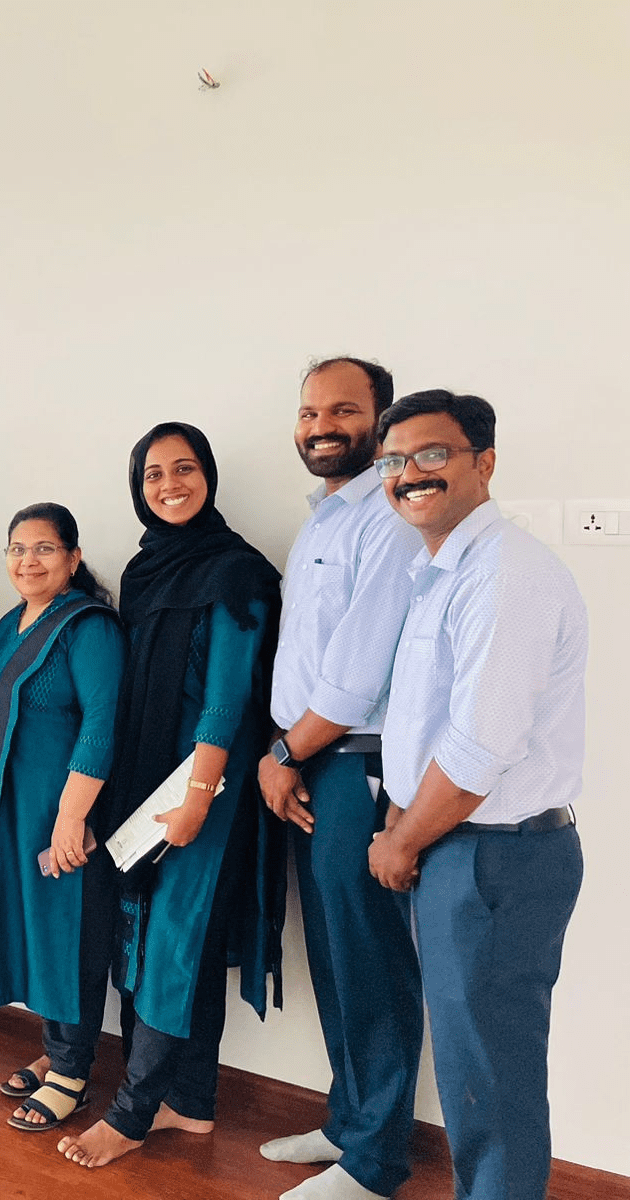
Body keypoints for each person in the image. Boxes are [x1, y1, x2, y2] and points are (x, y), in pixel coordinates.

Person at [368, 390, 585, 1200]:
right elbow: (426, 723)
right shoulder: (443, 570)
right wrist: (401, 814)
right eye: (394, 461)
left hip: (494, 856)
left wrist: (401, 840)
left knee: (491, 1083)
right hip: (458, 846)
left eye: (432, 454)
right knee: (473, 1074)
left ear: (483, 463)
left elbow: (478, 748)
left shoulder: (505, 574)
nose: (410, 474)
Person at [61, 422, 283, 1169]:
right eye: (153, 474)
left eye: (184, 468)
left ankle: (131, 1115)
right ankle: (190, 1103)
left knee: (173, 948)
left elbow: (227, 699)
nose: (169, 485)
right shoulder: (146, 570)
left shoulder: (235, 571)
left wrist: (197, 797)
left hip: (204, 792)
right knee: (159, 940)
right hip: (142, 790)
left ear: (208, 476)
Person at [256, 359, 425, 1200]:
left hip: (355, 760)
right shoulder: (324, 517)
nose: (321, 425)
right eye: (309, 411)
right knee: (331, 952)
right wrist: (290, 753)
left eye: (343, 410)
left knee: (368, 958)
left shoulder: (387, 517)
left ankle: (375, 1161)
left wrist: (285, 756)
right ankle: (350, 1121)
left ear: (380, 421)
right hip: (312, 759)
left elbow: (358, 675)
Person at [0, 502, 126, 1128]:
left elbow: (101, 725)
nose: (27, 560)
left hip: (64, 810)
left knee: (68, 933)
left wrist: (71, 817)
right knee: (33, 928)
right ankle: (55, 1049)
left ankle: (72, 1072)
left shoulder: (89, 627)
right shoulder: (7, 626)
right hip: (9, 811)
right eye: (17, 548)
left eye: (43, 548)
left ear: (73, 558)